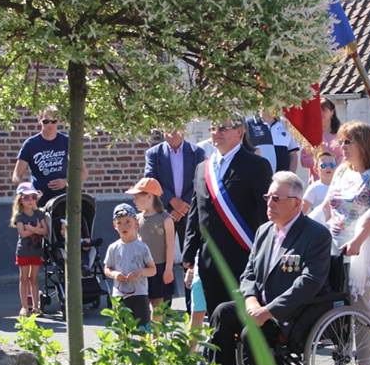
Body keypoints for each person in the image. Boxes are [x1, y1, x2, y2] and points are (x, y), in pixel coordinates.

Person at [210, 171, 332, 365]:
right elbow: (249, 272)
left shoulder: (316, 235)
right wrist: (250, 299)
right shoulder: (264, 231)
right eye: (268, 198)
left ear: (296, 204)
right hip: (260, 305)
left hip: (293, 313)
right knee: (223, 313)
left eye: (276, 199)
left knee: (252, 333)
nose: (269, 204)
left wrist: (268, 311)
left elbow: (309, 282)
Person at [318, 121, 370, 365]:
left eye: (348, 142)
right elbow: (327, 206)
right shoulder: (340, 171)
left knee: (361, 310)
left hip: (366, 250)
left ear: (364, 143)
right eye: (341, 142)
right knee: (335, 311)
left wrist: (357, 241)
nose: (342, 147)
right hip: (336, 248)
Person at [182, 116, 272, 317]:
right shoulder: (202, 169)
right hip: (210, 258)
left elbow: (266, 213)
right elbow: (196, 211)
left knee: (241, 316)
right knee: (215, 316)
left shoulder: (257, 165)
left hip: (242, 254)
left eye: (223, 128)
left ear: (240, 132)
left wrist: (265, 251)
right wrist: (189, 252)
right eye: (213, 128)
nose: (216, 133)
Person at [12, 106, 88, 207]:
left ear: (59, 121)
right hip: (39, 202)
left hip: (64, 200)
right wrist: (29, 191)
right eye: (45, 121)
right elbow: (16, 176)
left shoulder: (67, 142)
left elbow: (83, 173)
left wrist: (66, 182)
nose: (50, 124)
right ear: (39, 120)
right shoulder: (30, 144)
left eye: (53, 121)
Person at [127, 177, 176, 313]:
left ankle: (156, 334)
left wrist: (168, 269)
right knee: (142, 306)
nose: (134, 200)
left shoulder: (165, 219)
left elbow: (170, 246)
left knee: (158, 306)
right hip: (142, 268)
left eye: (137, 197)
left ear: (149, 196)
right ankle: (146, 333)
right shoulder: (136, 219)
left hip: (160, 267)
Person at [104, 203, 156, 326]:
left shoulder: (142, 247)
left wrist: (140, 272)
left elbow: (153, 270)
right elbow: (107, 268)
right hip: (119, 295)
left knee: (142, 330)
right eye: (119, 223)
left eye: (128, 221)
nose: (124, 226)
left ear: (136, 223)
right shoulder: (113, 248)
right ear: (114, 226)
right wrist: (115, 274)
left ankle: (143, 346)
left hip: (139, 294)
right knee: (121, 331)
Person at [10, 182, 47, 316]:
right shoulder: (20, 216)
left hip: (36, 251)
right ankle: (24, 307)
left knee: (34, 278)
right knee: (23, 278)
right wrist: (35, 229)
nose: (30, 200)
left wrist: (31, 228)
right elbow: (22, 233)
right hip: (23, 251)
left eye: (33, 197)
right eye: (26, 197)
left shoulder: (39, 214)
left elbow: (45, 231)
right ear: (20, 200)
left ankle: (36, 307)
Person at [302, 99, 344, 181]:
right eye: (318, 111)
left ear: (332, 112)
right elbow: (304, 160)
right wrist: (321, 162)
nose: (321, 113)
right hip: (317, 181)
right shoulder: (311, 135)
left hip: (339, 180)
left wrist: (334, 164)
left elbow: (346, 157)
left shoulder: (342, 134)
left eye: (324, 110)